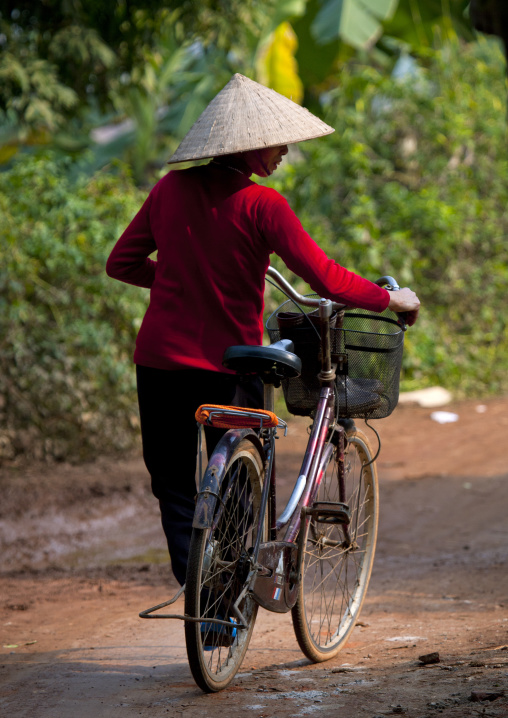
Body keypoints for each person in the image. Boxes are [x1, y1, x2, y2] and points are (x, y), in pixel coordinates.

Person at [106, 73, 420, 586]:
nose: (286, 151)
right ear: (250, 147)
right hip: (231, 366)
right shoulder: (263, 207)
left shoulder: (169, 190)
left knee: (175, 487)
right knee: (237, 485)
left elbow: (122, 263)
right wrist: (389, 298)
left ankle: (200, 599)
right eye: (279, 142)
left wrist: (177, 278)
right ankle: (227, 602)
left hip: (160, 364)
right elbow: (326, 278)